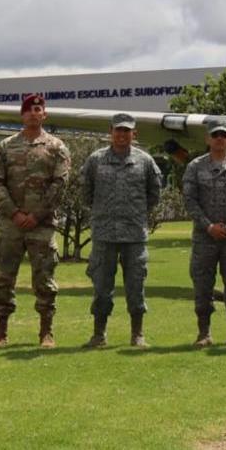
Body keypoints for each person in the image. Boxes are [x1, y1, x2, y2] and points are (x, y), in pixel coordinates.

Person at [0, 93, 71, 348]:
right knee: (4, 278)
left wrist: (36, 214)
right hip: (11, 224)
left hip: (42, 225)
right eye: (28, 110)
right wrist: (15, 213)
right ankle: (0, 332)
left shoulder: (57, 148)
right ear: (22, 115)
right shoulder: (5, 147)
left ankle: (46, 332)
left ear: (44, 114)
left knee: (45, 280)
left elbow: (60, 184)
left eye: (38, 109)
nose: (33, 113)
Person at [81, 112, 163, 348]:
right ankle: (99, 334)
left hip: (134, 234)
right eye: (118, 130)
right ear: (110, 132)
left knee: (136, 285)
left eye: (127, 131)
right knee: (102, 286)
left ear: (134, 134)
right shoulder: (96, 160)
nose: (122, 135)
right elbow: (87, 193)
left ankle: (137, 334)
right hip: (104, 234)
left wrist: (135, 213)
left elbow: (154, 194)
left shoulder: (145, 161)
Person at [183, 118, 226, 347]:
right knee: (203, 285)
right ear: (207, 139)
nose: (219, 139)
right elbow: (190, 200)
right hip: (204, 238)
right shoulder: (195, 167)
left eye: (224, 135)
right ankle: (204, 333)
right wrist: (208, 226)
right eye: (215, 135)